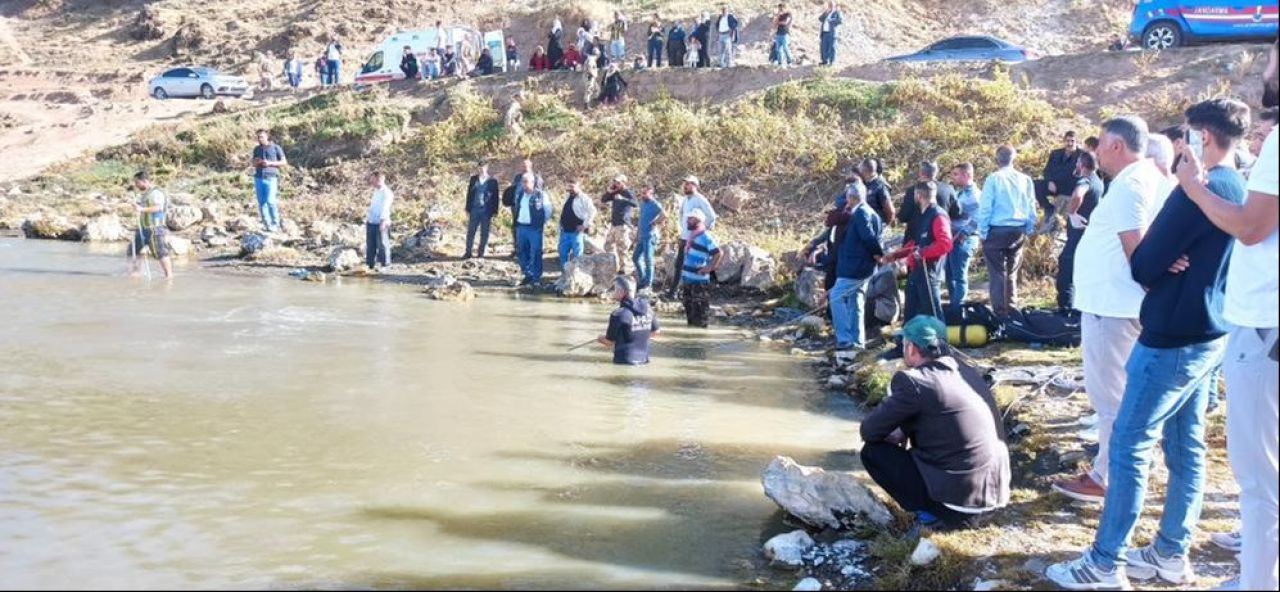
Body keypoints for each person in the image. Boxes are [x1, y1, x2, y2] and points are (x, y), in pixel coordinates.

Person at [1046, 98, 1251, 590]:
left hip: (1171, 337)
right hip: (1207, 331)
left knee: (1130, 443)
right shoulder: (1231, 186)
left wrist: (1162, 249)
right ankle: (1169, 554)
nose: (1177, 149)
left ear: (1200, 138)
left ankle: (1104, 562)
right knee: (1186, 447)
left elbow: (1145, 263)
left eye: (1183, 137)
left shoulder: (1194, 190)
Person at [1170, 39, 1278, 592]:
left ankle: (1259, 581)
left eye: (1272, 56)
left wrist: (1192, 189)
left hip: (1264, 327)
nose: (1266, 68)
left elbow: (1251, 226)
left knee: (1259, 477)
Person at [1050, 116, 1169, 506]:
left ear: (1117, 145)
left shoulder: (1131, 184)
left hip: (1113, 306)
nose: (1095, 150)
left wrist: (1156, 280)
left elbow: (1138, 250)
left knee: (1111, 397)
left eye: (1100, 143)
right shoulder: (1151, 178)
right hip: (1122, 304)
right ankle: (1123, 467)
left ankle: (1107, 476)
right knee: (1126, 393)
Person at [859, 315, 1010, 531]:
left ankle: (930, 517)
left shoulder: (913, 382)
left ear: (911, 348)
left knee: (874, 453)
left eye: (903, 344)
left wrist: (895, 433)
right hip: (994, 496)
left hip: (957, 506)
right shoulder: (967, 371)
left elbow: (869, 430)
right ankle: (945, 509)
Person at [976, 145, 1036, 318]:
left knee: (997, 273)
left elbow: (986, 207)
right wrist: (1029, 227)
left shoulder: (993, 179)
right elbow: (1031, 205)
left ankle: (1000, 313)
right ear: (1014, 158)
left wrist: (983, 232)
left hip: (997, 229)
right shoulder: (1025, 179)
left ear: (997, 159)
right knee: (1011, 272)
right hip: (1018, 229)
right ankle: (1012, 308)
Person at [882, 181, 953, 322]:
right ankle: (907, 342)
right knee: (910, 311)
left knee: (932, 312)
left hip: (929, 271)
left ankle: (940, 342)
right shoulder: (920, 215)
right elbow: (914, 243)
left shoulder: (938, 215)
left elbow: (945, 244)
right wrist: (896, 255)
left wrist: (923, 253)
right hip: (915, 271)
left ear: (919, 196)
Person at [827, 179, 884, 354]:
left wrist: (878, 254)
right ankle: (857, 341)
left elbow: (868, 238)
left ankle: (844, 339)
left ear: (851, 198)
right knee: (856, 301)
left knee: (836, 297)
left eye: (848, 198)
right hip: (861, 267)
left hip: (855, 267)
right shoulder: (872, 213)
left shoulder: (861, 213)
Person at [1054, 151, 1104, 312]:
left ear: (1081, 165)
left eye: (1077, 163)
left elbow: (1078, 194)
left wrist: (1072, 213)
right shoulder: (1098, 181)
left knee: (1066, 270)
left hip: (1079, 235)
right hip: (1089, 235)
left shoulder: (1086, 180)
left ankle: (1067, 310)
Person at [666, 175, 717, 299]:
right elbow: (681, 216)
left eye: (689, 184)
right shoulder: (685, 199)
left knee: (695, 264)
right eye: (685, 184)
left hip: (696, 238)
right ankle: (674, 292)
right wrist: (682, 231)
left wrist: (701, 231)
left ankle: (706, 289)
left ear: (695, 185)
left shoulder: (700, 199)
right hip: (685, 236)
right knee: (680, 265)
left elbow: (712, 216)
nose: (686, 186)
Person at [598, 276, 660, 365]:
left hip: (624, 363)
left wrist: (599, 338)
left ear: (622, 292)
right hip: (644, 362)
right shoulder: (647, 308)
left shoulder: (618, 314)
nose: (614, 292)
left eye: (615, 289)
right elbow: (656, 331)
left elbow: (609, 342)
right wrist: (640, 336)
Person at [946, 163, 981, 317]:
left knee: (959, 277)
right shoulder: (960, 193)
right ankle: (954, 308)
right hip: (952, 240)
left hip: (963, 240)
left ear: (966, 175)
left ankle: (958, 311)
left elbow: (978, 218)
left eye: (956, 174)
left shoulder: (974, 195)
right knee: (949, 275)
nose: (953, 177)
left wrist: (963, 234)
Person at [680, 209, 722, 328]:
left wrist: (709, 268)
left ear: (698, 220)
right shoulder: (692, 235)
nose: (688, 221)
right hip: (688, 280)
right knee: (690, 315)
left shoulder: (705, 236)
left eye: (691, 219)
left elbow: (718, 253)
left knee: (700, 315)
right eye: (688, 218)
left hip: (699, 282)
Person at [128, 171, 173, 279]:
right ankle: (136, 274)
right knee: (133, 250)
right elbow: (145, 208)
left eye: (137, 182)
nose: (136, 185)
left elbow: (158, 208)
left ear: (145, 181)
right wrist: (137, 207)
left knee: (160, 252)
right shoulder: (146, 194)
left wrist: (141, 209)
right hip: (144, 227)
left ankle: (169, 276)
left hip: (155, 227)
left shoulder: (156, 193)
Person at [514, 174, 552, 286]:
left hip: (534, 228)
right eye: (522, 182)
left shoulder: (541, 195)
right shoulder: (520, 194)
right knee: (521, 251)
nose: (524, 184)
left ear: (532, 182)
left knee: (535, 252)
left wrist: (541, 222)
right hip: (521, 227)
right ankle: (527, 274)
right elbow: (517, 208)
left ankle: (536, 276)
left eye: (526, 182)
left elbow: (548, 210)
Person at [897, 160, 956, 230]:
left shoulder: (913, 190)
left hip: (917, 235)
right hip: (942, 231)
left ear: (921, 173)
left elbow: (903, 216)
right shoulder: (948, 189)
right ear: (936, 172)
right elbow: (956, 213)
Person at [505, 159, 544, 256]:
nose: (523, 168)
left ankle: (534, 250)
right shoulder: (518, 177)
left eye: (525, 166)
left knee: (533, 230)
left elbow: (539, 193)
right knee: (516, 228)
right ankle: (518, 249)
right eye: (522, 166)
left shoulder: (536, 177)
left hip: (531, 208)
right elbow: (514, 189)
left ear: (530, 166)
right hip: (517, 207)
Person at [633, 183, 667, 293]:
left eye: (645, 193)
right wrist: (637, 233)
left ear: (651, 193)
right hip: (642, 235)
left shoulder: (655, 204)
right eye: (641, 193)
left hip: (650, 236)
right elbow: (640, 219)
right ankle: (643, 279)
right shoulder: (642, 203)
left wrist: (655, 222)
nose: (642, 195)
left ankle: (648, 283)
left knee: (648, 259)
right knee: (635, 258)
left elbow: (664, 215)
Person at [251, 129, 286, 233]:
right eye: (258, 137)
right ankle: (267, 224)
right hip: (258, 177)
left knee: (271, 201)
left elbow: (284, 162)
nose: (259, 139)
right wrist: (256, 162)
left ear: (267, 137)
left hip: (271, 177)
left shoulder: (276, 147)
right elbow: (253, 162)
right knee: (262, 202)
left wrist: (270, 163)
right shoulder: (256, 149)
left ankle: (275, 224)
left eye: (261, 136)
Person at [602, 175, 638, 272]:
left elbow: (635, 203)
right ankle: (613, 265)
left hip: (623, 224)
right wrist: (609, 192)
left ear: (624, 183)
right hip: (614, 224)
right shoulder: (615, 192)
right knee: (608, 245)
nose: (616, 184)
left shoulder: (628, 192)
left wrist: (623, 199)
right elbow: (604, 199)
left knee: (622, 248)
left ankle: (623, 269)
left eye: (618, 183)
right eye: (615, 182)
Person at [464, 162, 500, 259]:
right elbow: (469, 194)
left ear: (487, 168)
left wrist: (495, 210)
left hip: (486, 210)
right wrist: (467, 208)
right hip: (474, 209)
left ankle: (481, 253)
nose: (481, 169)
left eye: (483, 167)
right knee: (471, 231)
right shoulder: (474, 179)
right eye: (479, 167)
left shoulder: (492, 181)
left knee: (484, 232)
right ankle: (468, 252)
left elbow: (496, 197)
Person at [558, 179, 596, 268]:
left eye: (572, 186)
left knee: (577, 256)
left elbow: (593, 211)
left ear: (578, 186)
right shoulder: (567, 197)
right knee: (563, 254)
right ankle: (565, 274)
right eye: (568, 186)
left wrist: (585, 225)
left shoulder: (584, 198)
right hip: (564, 231)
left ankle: (577, 275)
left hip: (576, 232)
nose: (570, 189)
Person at [365, 172, 393, 272]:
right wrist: (368, 218)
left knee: (382, 244)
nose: (372, 182)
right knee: (370, 244)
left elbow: (385, 208)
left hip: (382, 222)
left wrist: (383, 221)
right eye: (371, 180)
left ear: (380, 180)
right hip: (372, 221)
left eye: (374, 180)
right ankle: (369, 264)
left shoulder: (387, 193)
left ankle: (385, 265)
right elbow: (373, 206)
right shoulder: (376, 191)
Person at [859, 157, 895, 225]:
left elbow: (890, 211)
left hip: (875, 225)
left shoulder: (880, 186)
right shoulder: (864, 183)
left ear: (865, 171)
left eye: (861, 170)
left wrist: (883, 226)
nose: (859, 172)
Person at [818, 1, 843, 66]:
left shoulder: (837, 12)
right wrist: (825, 12)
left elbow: (840, 20)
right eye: (829, 5)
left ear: (834, 5)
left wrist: (831, 20)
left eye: (831, 5)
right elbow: (820, 19)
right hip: (824, 32)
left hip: (832, 32)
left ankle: (832, 62)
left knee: (832, 47)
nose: (830, 6)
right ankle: (824, 61)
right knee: (823, 47)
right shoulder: (827, 12)